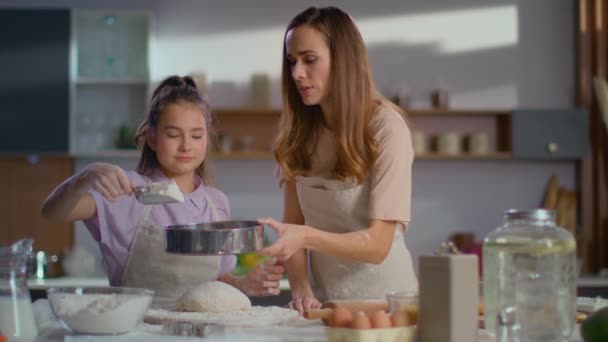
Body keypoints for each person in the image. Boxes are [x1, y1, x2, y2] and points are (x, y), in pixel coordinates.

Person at [41, 76, 284, 309]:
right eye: (173, 135)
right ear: (152, 138)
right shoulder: (129, 191)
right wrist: (85, 176)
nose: (186, 145)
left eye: (196, 135)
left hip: (204, 333)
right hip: (139, 331)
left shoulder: (216, 202)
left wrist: (244, 284)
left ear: (207, 139)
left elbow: (217, 281)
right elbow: (52, 213)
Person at [258, 6, 418, 315]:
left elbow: (377, 246)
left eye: (309, 60)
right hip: (327, 308)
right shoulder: (298, 133)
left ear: (343, 60)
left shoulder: (387, 129)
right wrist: (302, 289)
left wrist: (305, 237)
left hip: (389, 308)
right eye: (292, 62)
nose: (297, 73)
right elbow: (293, 226)